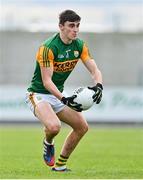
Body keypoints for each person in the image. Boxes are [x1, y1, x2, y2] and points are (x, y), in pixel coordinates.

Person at [25, 9, 103, 172]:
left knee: (82, 127)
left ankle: (60, 165)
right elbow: (46, 82)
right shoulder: (47, 48)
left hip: (58, 95)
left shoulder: (80, 45)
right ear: (61, 26)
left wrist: (99, 85)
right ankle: (48, 142)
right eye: (71, 25)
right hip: (39, 94)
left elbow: (94, 69)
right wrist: (64, 99)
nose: (75, 29)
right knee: (54, 127)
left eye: (78, 26)